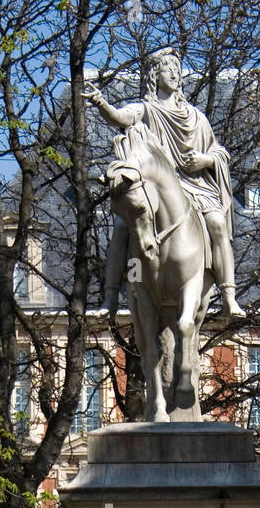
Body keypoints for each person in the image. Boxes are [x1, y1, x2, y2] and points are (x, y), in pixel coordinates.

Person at [87, 47, 245, 320]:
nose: (174, 73)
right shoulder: (147, 110)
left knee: (217, 223)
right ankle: (110, 296)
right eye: (166, 67)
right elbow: (120, 117)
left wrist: (205, 161)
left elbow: (220, 153)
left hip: (195, 186)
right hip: (157, 188)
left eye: (176, 67)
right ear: (154, 75)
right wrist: (102, 103)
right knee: (122, 227)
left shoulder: (196, 117)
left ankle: (229, 294)